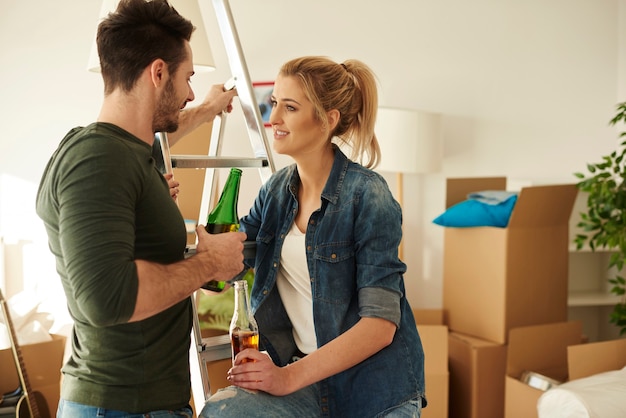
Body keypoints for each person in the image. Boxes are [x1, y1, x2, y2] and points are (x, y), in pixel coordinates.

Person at [35, 0, 246, 416]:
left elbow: (165, 129)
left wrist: (207, 108)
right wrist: (209, 264)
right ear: (158, 72)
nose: (188, 92)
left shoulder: (127, 152)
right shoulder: (99, 160)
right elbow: (106, 298)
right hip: (122, 406)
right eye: (187, 78)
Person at [200, 56, 427, 418]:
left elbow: (380, 327)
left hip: (373, 388)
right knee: (222, 412)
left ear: (328, 119)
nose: (273, 118)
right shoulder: (275, 191)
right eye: (274, 103)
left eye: (290, 108)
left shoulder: (369, 196)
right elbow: (226, 265)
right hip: (304, 380)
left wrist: (286, 378)